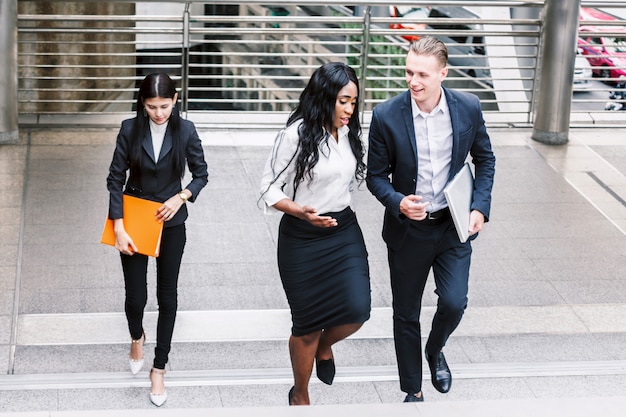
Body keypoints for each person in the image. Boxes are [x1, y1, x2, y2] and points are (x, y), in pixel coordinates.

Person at [366, 37, 495, 402]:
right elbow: (375, 176)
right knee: (406, 314)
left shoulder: (468, 107)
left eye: (422, 74)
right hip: (409, 231)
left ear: (443, 73)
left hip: (453, 225)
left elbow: (485, 159)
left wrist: (479, 207)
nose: (413, 81)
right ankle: (413, 390)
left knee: (454, 302)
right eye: (409, 72)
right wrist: (398, 202)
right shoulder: (386, 115)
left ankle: (435, 349)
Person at [259, 62, 371, 406]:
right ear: (324, 99)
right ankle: (300, 394)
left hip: (343, 231)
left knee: (358, 310)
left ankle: (325, 346)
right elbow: (268, 187)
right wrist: (299, 211)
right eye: (343, 102)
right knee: (306, 324)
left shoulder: (350, 131)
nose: (350, 110)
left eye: (354, 102)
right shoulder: (296, 134)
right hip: (302, 239)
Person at [106, 73, 208, 407]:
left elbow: (201, 174)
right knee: (135, 298)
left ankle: (159, 366)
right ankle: (137, 336)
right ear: (142, 103)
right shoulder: (129, 128)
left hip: (171, 221)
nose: (159, 113)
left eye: (164, 106)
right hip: (134, 218)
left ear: (175, 99)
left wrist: (181, 196)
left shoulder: (186, 130)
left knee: (168, 297)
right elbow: (114, 178)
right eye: (152, 107)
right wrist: (118, 225)